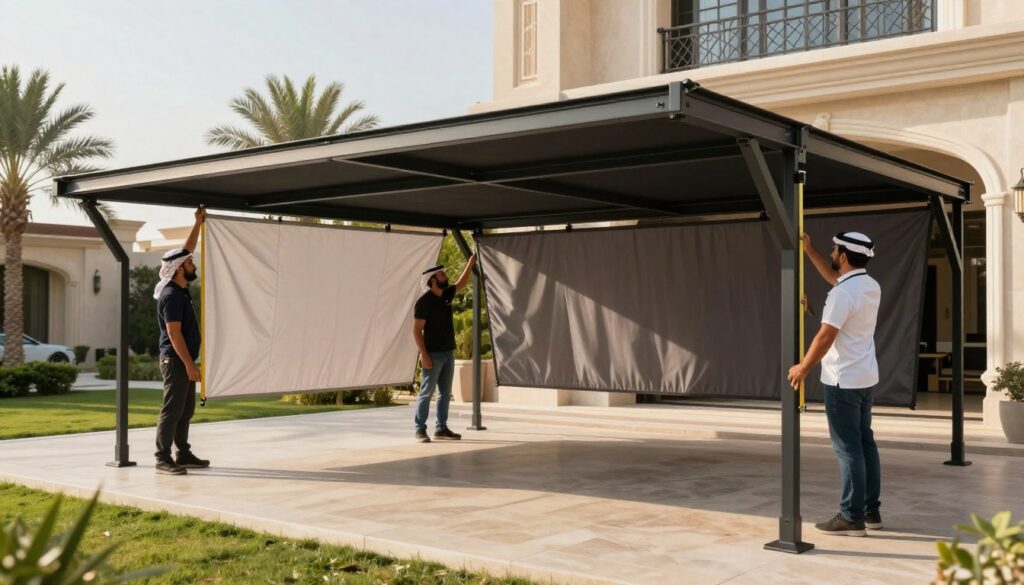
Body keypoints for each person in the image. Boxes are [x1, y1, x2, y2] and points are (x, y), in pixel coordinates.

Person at [788, 231, 882, 537]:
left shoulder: (843, 294)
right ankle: (870, 511)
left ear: (842, 255)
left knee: (848, 449)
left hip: (842, 380)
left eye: (833, 249)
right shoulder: (868, 286)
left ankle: (850, 517)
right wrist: (810, 251)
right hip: (864, 378)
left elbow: (825, 336)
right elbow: (836, 279)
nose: (831, 252)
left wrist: (803, 367)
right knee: (865, 444)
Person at [152, 207, 209, 475]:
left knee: (185, 411)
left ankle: (183, 453)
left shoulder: (178, 288)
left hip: (181, 360)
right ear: (178, 269)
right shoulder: (173, 296)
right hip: (175, 360)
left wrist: (197, 223)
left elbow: (186, 248)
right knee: (172, 410)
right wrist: (189, 365)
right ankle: (162, 458)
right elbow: (174, 334)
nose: (193, 264)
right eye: (190, 263)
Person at [412, 255, 478, 443]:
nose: (445, 276)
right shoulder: (423, 302)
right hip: (432, 355)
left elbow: (461, 283)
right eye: (441, 274)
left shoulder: (447, 295)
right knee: (426, 393)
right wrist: (424, 355)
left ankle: (441, 428)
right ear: (433, 280)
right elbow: (416, 331)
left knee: (445, 394)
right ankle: (420, 429)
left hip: (448, 353)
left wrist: (470, 264)